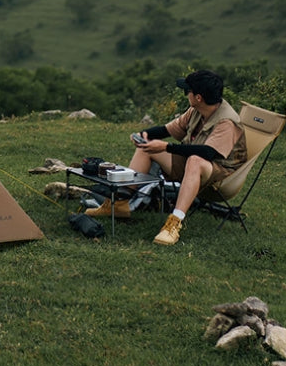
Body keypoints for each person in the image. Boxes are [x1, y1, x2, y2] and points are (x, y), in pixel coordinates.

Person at [86, 69, 247, 245]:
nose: (186, 94)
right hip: (193, 163)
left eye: (188, 91)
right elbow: (167, 130)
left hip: (220, 174)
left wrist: (167, 147)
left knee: (195, 160)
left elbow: (208, 153)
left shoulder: (226, 121)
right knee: (146, 147)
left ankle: (174, 223)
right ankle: (120, 205)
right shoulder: (196, 110)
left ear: (198, 97)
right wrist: (144, 134)